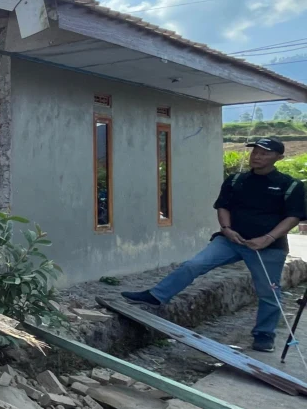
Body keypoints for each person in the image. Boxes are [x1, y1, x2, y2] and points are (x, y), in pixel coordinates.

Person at [121, 138, 306, 352]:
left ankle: (264, 335)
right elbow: (223, 206)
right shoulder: (236, 180)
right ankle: (156, 297)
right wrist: (227, 229)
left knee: (269, 292)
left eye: (265, 153)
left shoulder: (291, 185)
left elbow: (293, 217)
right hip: (230, 241)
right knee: (194, 264)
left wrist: (267, 238)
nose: (257, 156)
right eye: (255, 152)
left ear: (278, 158)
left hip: (268, 247)